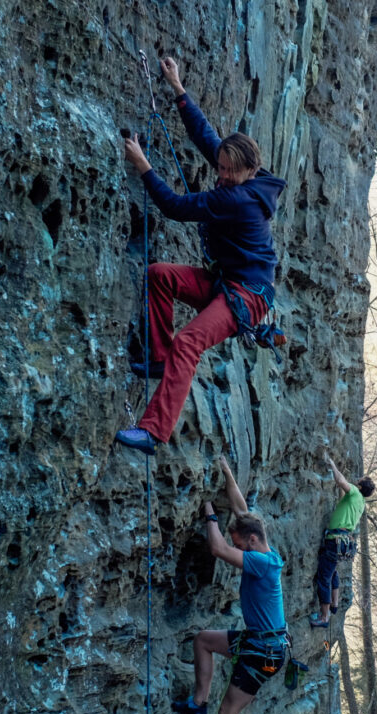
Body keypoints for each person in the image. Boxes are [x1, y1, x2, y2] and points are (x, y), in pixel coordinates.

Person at [115, 57, 286, 455]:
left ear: (248, 170)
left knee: (189, 342)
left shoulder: (237, 199)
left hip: (247, 297)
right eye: (220, 168)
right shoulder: (250, 176)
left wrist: (143, 166)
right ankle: (158, 359)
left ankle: (154, 432)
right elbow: (209, 140)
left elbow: (174, 207)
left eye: (227, 171)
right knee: (159, 275)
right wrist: (178, 89)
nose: (220, 173)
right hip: (228, 283)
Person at [173, 455, 288, 714]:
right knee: (203, 640)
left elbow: (218, 548)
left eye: (241, 544)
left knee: (229, 713)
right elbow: (241, 510)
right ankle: (199, 701)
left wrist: (209, 512)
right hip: (259, 641)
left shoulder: (262, 562)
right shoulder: (262, 543)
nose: (238, 548)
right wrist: (226, 473)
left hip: (264, 652)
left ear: (251, 542)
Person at [310, 453, 376, 628]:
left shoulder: (354, 492)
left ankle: (324, 617)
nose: (356, 481)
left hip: (334, 541)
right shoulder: (360, 502)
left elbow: (340, 482)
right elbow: (343, 496)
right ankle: (335, 603)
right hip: (343, 542)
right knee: (332, 572)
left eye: (359, 481)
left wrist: (332, 464)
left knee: (324, 577)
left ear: (360, 486)